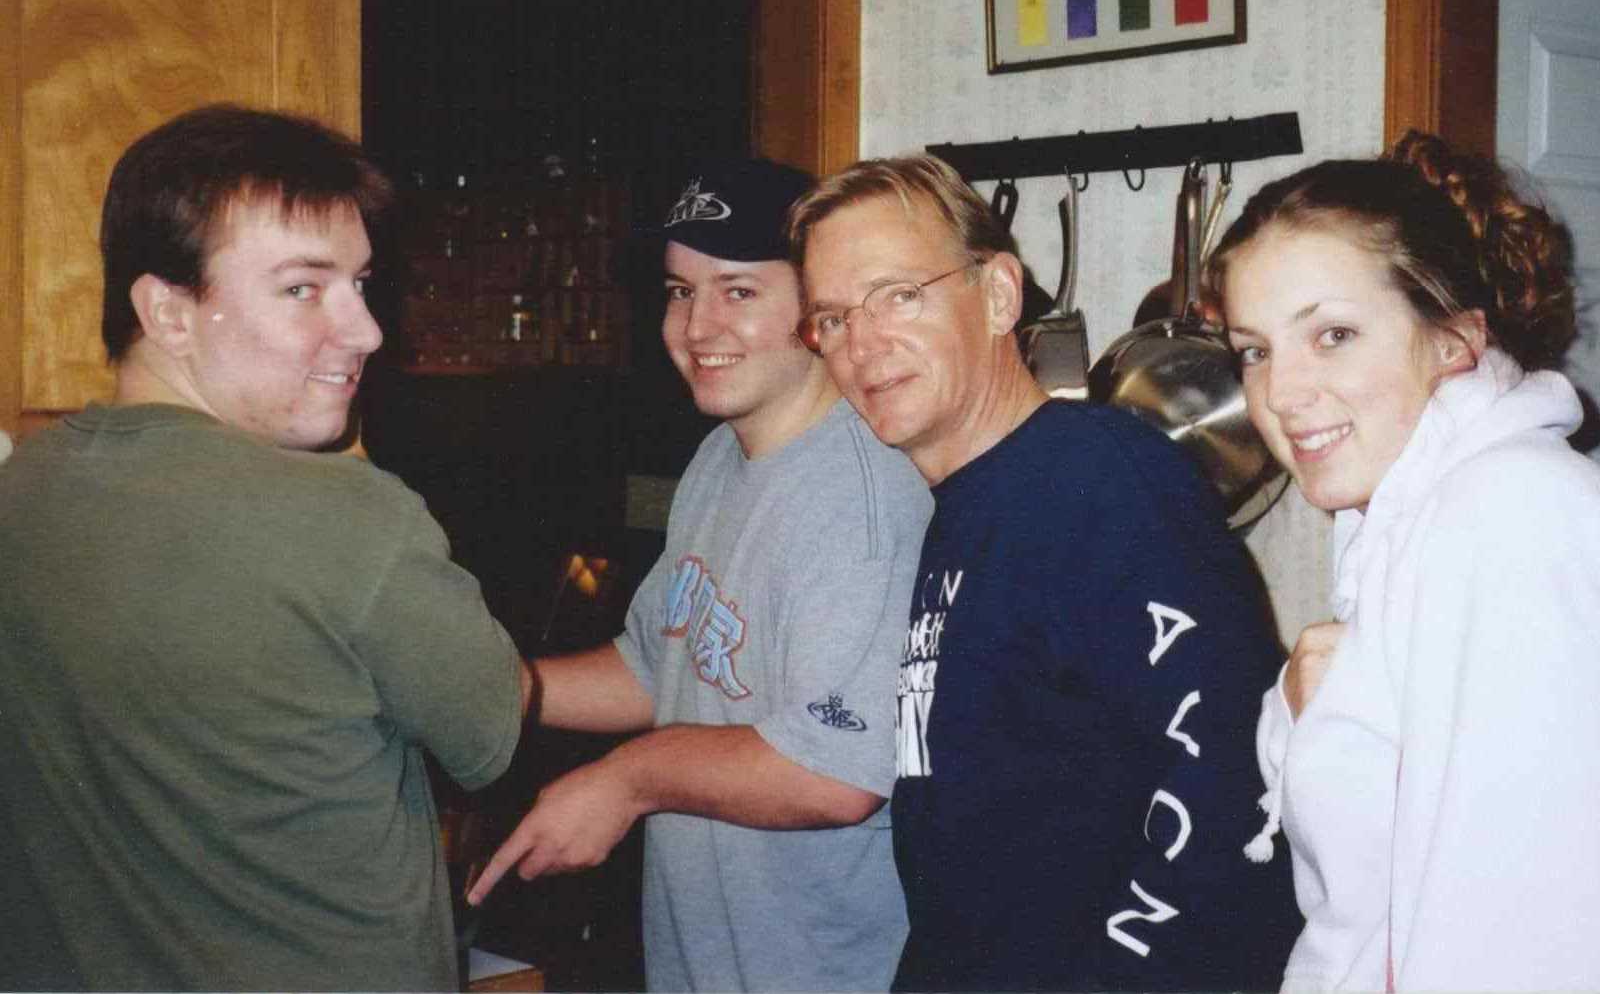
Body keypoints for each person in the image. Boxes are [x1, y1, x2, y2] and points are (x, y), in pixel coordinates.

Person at [0, 106, 531, 991]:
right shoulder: (351, 518)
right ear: (167, 311)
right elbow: (494, 725)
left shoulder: (22, 492)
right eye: (303, 288)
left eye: (360, 284)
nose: (364, 330)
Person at [789, 154, 1301, 992]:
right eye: (833, 318)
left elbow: (1233, 784)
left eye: (898, 296)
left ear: (997, 294)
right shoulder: (967, 505)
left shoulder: (1100, 483)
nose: (863, 344)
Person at [467, 158, 932, 991]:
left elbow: (834, 775)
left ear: (818, 310)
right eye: (681, 291)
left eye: (738, 291)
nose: (697, 326)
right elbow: (659, 667)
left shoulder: (863, 500)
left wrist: (626, 781)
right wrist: (483, 686)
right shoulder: (721, 456)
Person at [1211, 131, 1600, 992]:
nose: (1279, 393)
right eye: (1256, 349)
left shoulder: (1508, 513)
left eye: (1334, 335)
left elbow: (1520, 936)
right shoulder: (1402, 517)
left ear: (1455, 340)